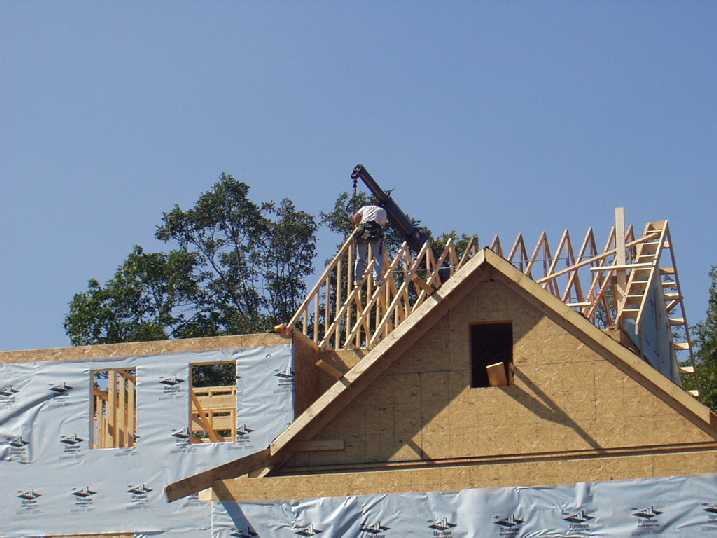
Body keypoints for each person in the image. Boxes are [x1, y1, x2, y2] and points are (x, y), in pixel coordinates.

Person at [352, 204, 388, 284]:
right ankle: (377, 279)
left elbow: (355, 217)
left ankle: (358, 279)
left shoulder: (365, 207)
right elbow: (383, 224)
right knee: (378, 256)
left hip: (364, 230)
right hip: (375, 232)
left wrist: (357, 225)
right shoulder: (383, 210)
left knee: (360, 257)